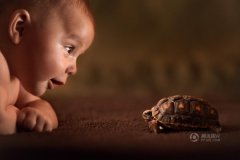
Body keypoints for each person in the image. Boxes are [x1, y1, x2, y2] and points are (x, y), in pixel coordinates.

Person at [0, 0, 95, 134]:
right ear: (20, 28)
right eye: (69, 49)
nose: (74, 69)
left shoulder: (18, 76)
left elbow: (40, 105)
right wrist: (18, 115)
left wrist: (40, 115)